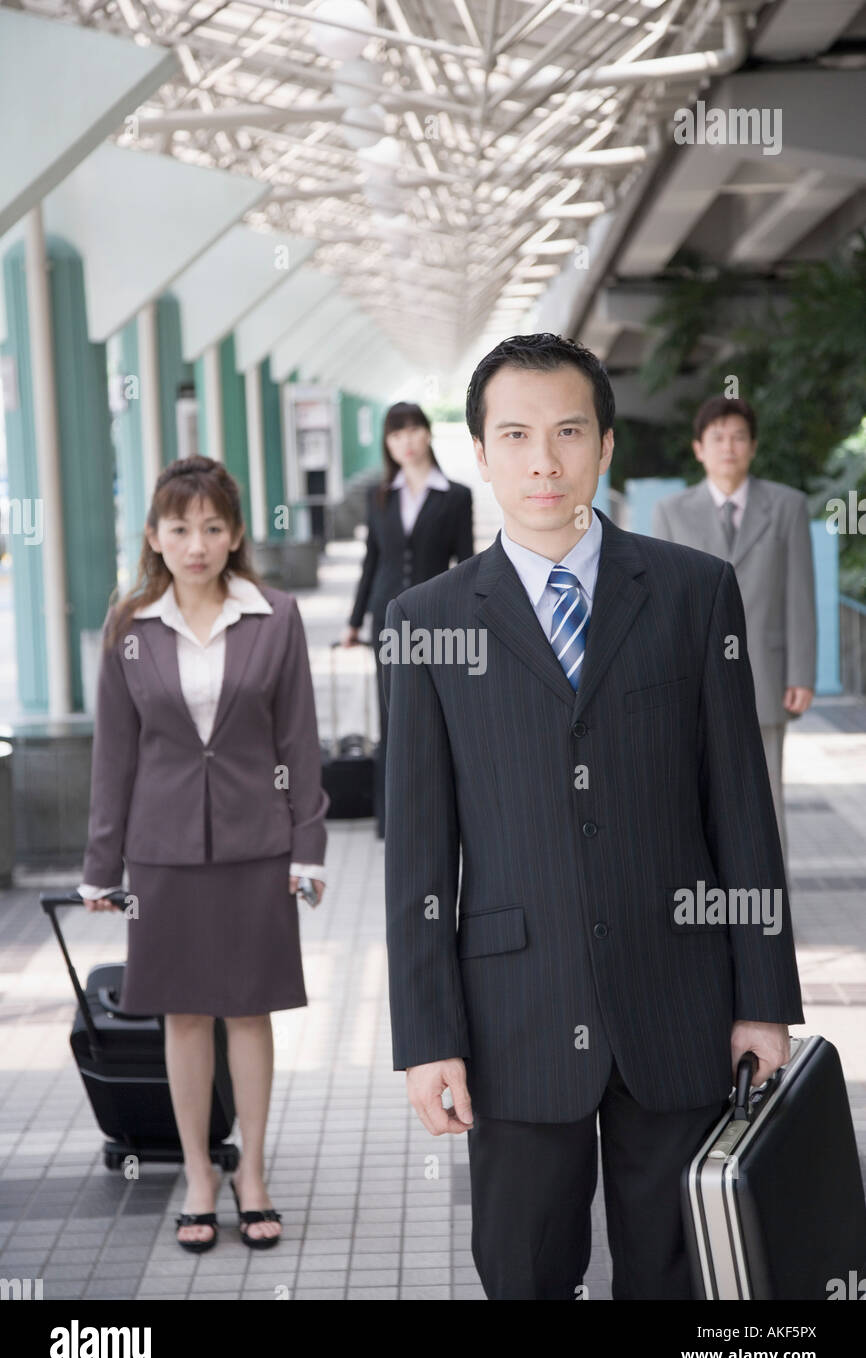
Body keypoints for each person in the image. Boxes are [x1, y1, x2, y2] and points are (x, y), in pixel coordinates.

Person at [382, 334, 804, 1300]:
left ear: (605, 446)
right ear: (479, 453)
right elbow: (416, 855)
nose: (544, 460)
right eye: (516, 434)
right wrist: (426, 1035)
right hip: (513, 1019)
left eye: (568, 431)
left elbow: (740, 808)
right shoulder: (427, 620)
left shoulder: (695, 593)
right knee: (523, 1274)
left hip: (681, 1005)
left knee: (676, 1278)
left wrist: (762, 1000)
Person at [78, 456, 329, 1253]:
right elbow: (114, 758)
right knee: (183, 1015)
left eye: (212, 527)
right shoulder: (128, 628)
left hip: (257, 844)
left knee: (249, 1011)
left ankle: (251, 1170)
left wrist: (309, 846)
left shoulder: (275, 616)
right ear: (154, 536)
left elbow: (299, 740)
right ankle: (199, 1172)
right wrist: (100, 866)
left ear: (236, 534)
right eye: (180, 528)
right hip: (163, 852)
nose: (196, 543)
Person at [652, 397, 816, 862]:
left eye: (739, 437)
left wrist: (801, 673)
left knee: (766, 800)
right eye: (717, 437)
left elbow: (800, 594)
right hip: (690, 679)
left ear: (754, 447)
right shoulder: (671, 512)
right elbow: (664, 602)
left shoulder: (787, 506)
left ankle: (771, 910)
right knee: (692, 798)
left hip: (765, 677)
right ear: (698, 448)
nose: (729, 447)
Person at [341, 401, 474, 838]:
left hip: (438, 618)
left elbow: (466, 561)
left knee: (442, 710)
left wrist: (473, 617)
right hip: (387, 619)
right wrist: (354, 620)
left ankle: (442, 811)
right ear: (387, 443)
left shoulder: (456, 496)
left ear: (428, 433)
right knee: (392, 711)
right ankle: (392, 816)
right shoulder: (379, 496)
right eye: (396, 434)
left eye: (413, 430)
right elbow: (371, 559)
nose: (406, 441)